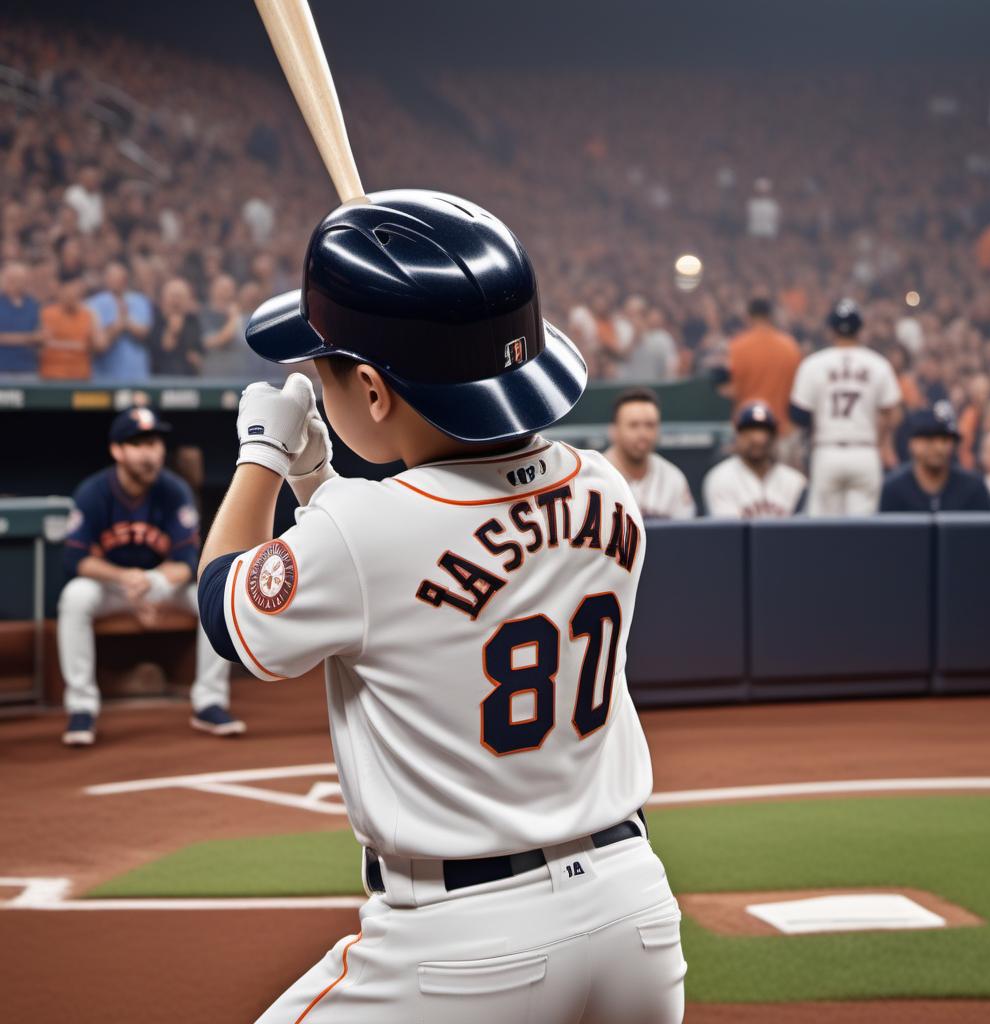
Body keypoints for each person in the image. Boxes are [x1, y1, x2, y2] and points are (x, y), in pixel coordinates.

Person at [196, 190, 685, 1023]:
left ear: (376, 393)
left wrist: (265, 456)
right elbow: (398, 567)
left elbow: (227, 611)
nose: (318, 381)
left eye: (326, 370)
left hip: (462, 950)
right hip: (636, 919)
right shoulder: (608, 484)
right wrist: (325, 484)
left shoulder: (361, 531)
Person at [59, 407, 242, 746]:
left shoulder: (174, 491)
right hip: (112, 586)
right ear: (117, 450)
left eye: (155, 443)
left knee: (215, 597)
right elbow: (75, 559)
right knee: (75, 596)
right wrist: (124, 578)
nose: (150, 454)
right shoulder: (94, 492)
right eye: (139, 444)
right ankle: (81, 707)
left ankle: (210, 701)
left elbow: (188, 560)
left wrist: (152, 583)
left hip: (160, 585)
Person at [791, 298, 902, 516]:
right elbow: (893, 412)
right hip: (865, 450)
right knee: (863, 530)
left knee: (822, 530)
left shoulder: (813, 363)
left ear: (831, 330)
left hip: (827, 449)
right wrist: (880, 442)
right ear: (860, 329)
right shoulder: (878, 363)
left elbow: (799, 415)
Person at [879, 404, 990, 513]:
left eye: (945, 440)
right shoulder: (894, 488)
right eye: (929, 439)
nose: (939, 447)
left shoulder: (973, 487)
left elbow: (989, 531)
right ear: (911, 443)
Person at [604, 387, 696, 520]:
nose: (643, 434)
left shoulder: (673, 477)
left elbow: (686, 534)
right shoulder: (594, 475)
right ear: (614, 431)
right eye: (633, 425)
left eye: (650, 425)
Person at [703, 401, 807, 518]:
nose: (758, 439)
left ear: (774, 438)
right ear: (737, 436)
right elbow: (728, 533)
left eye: (764, 431)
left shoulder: (796, 481)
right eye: (749, 431)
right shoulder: (720, 478)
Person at [720, 297, 802, 438]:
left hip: (747, 427)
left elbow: (730, 390)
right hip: (780, 428)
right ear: (771, 316)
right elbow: (798, 390)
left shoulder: (737, 346)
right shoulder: (790, 347)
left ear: (748, 316)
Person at [88, 261, 153, 381]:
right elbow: (98, 344)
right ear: (105, 279)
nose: (117, 281)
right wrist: (119, 325)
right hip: (106, 378)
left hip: (137, 377)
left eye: (120, 277)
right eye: (112, 277)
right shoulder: (94, 304)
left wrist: (126, 322)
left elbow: (144, 333)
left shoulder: (140, 301)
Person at [39, 271, 102, 380]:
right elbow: (38, 342)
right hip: (51, 377)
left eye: (76, 293)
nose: (72, 296)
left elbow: (100, 344)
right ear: (61, 292)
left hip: (80, 376)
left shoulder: (88, 315)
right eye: (69, 293)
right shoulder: (46, 313)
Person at [149, 277, 203, 376]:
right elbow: (164, 348)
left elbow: (198, 352)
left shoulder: (193, 322)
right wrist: (172, 331)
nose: (176, 301)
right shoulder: (155, 320)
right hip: (160, 380)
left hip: (190, 381)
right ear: (163, 299)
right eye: (173, 296)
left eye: (180, 297)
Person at [0, 261, 44, 375]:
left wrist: (39, 337)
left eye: (22, 280)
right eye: (13, 279)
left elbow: (41, 334)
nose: (18, 283)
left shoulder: (33, 305)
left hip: (28, 368)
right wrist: (28, 338)